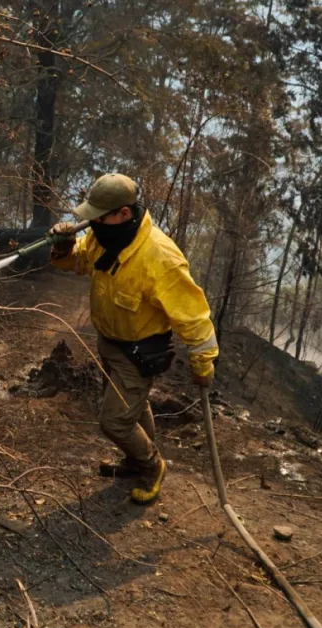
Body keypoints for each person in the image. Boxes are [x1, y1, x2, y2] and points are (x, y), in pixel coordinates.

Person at [49, 173, 218, 505]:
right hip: (110, 342)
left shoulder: (160, 257)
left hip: (140, 353)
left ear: (123, 213)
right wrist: (64, 247)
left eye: (98, 216)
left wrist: (203, 362)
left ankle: (152, 466)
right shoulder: (105, 237)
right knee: (132, 411)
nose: (91, 223)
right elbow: (78, 262)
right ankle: (133, 460)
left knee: (114, 421)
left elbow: (193, 316)